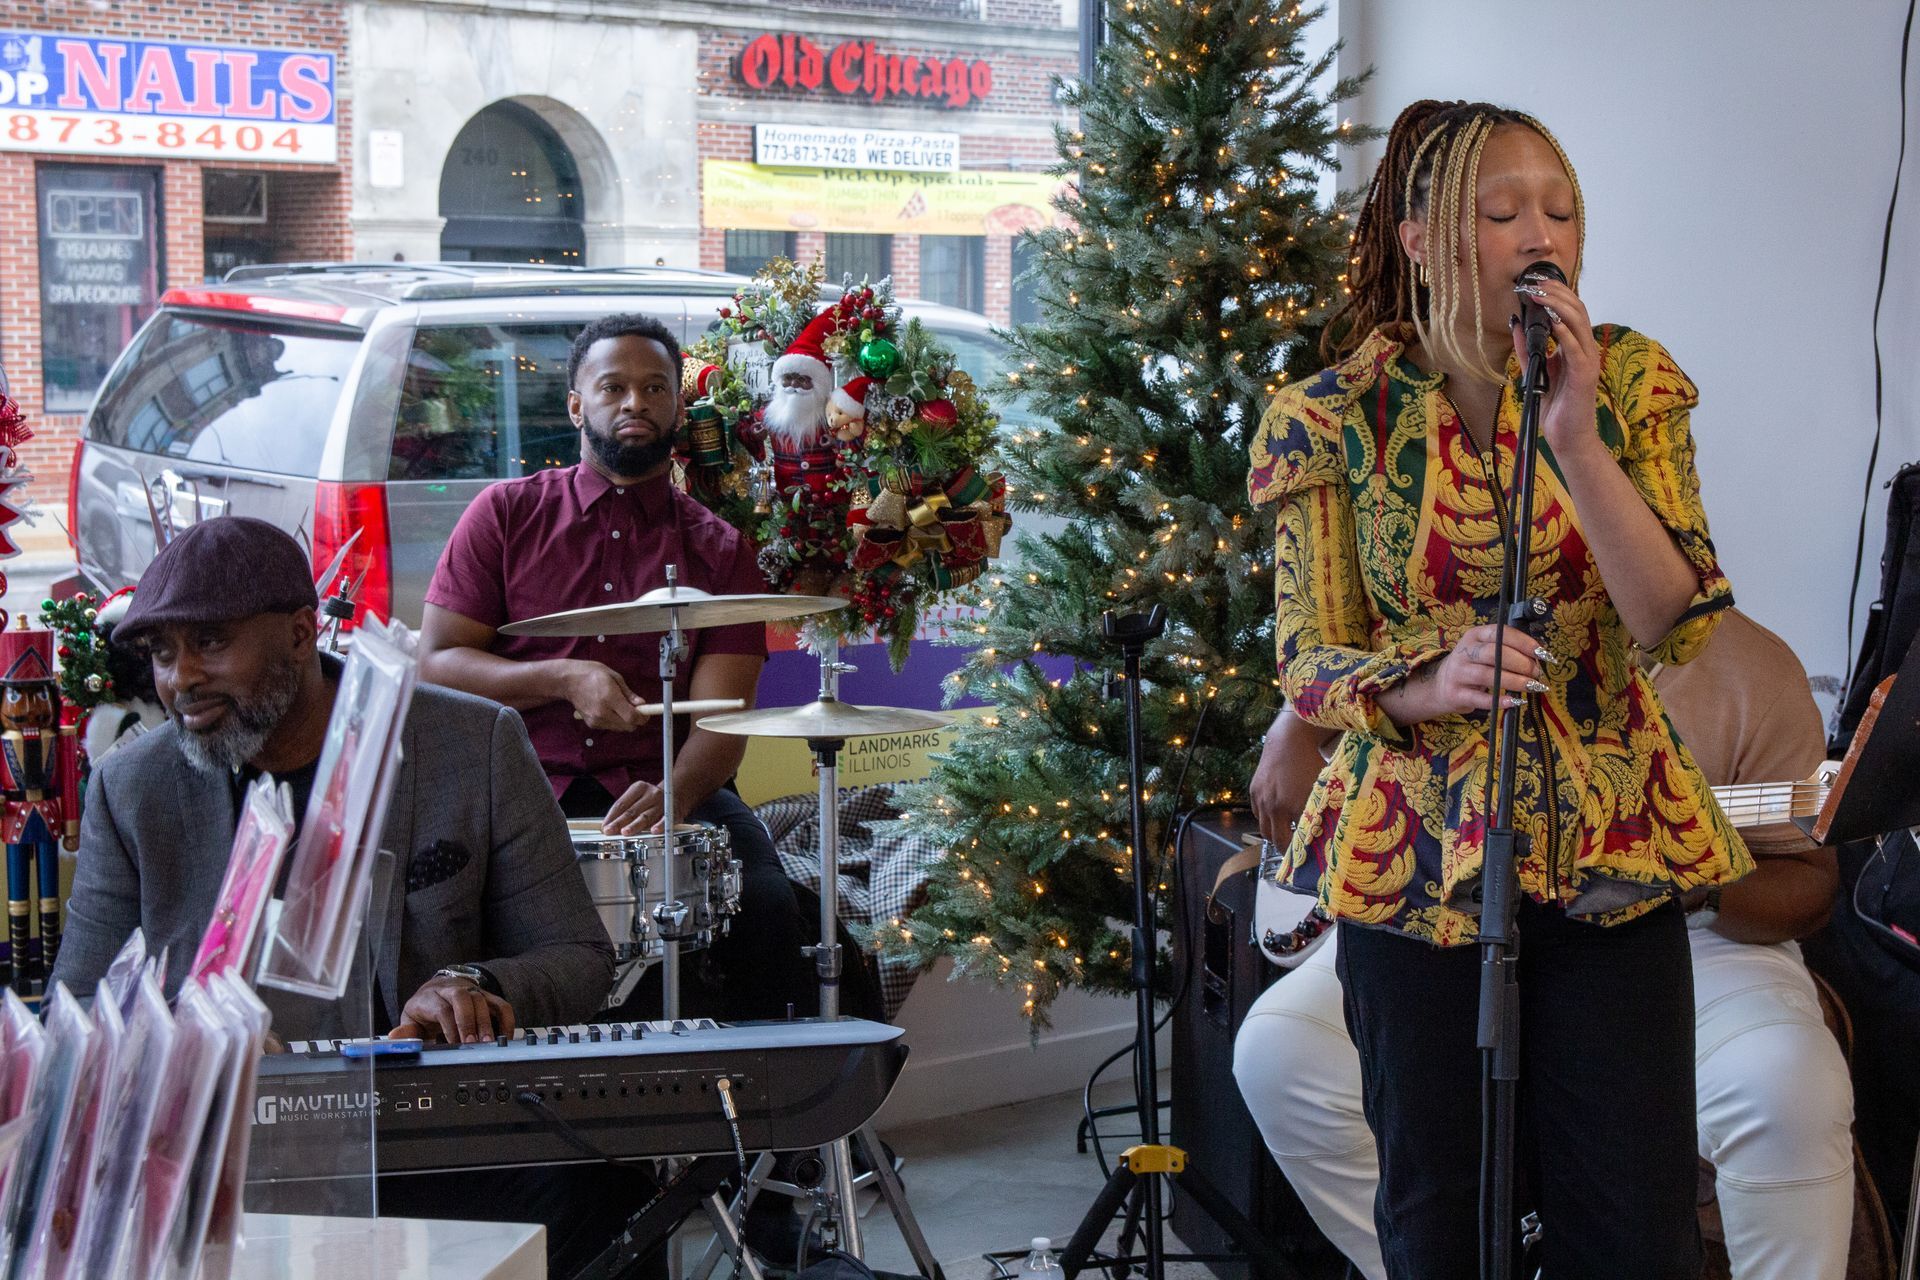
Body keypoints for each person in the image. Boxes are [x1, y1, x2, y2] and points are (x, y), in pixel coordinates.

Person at [1245, 99, 1752, 1278]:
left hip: (1613, 842)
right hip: (1412, 855)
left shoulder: (1627, 380)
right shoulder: (1333, 415)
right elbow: (1308, 654)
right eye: (1503, 208)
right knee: (1441, 1220)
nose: (1543, 231)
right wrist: (1421, 683)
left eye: (1561, 207)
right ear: (1423, 237)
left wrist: (1575, 435)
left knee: (1633, 1227)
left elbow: (1674, 620)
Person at [49, 517, 641, 1279]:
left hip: (435, 1137)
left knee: (599, 1196)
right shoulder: (133, 789)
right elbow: (82, 1007)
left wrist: (476, 986)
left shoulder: (472, 743)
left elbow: (580, 957)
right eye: (163, 653)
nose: (181, 678)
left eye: (211, 643)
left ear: (301, 633)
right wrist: (190, 1033)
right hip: (225, 1148)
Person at [1235, 609, 1856, 1280]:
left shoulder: (1750, 668)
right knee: (1280, 1047)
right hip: (1432, 906)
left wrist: (1689, 878)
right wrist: (1290, 729)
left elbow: (1807, 883)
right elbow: (1334, 651)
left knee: (1789, 1089)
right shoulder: (1450, 604)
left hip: (1680, 936)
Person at [417, 312, 814, 1023]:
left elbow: (722, 722)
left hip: (662, 779)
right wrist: (559, 677)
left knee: (769, 908)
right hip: (520, 789)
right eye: (614, 387)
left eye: (656, 387)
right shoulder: (503, 515)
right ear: (577, 404)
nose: (635, 402)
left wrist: (677, 795)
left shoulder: (720, 550)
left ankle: (765, 1123)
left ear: (677, 406)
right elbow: (437, 664)